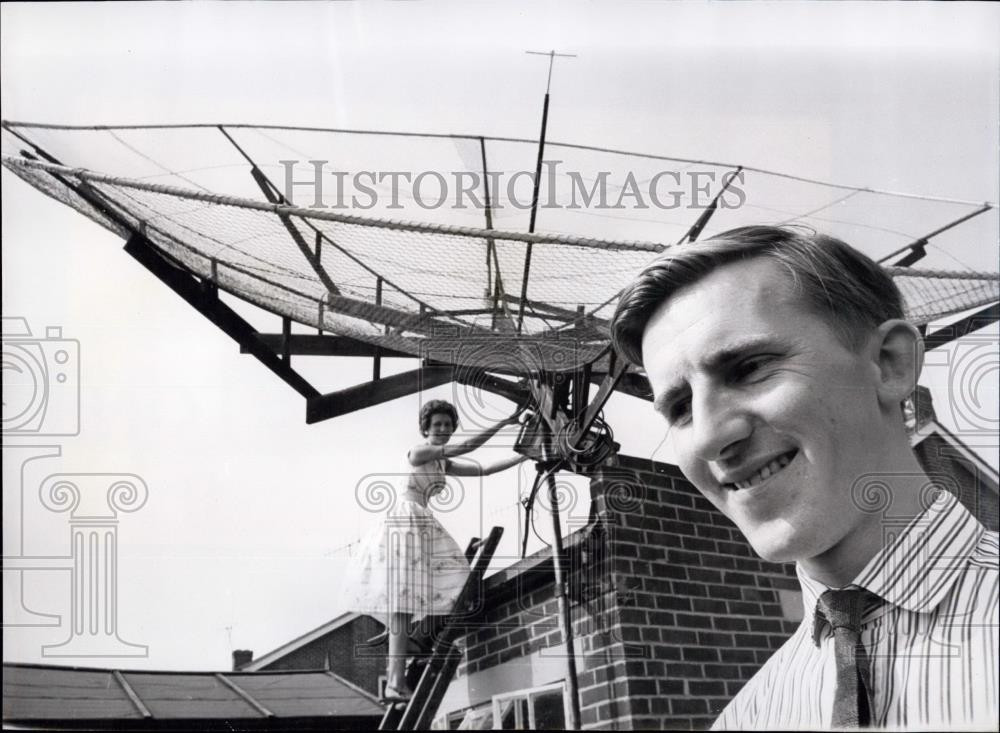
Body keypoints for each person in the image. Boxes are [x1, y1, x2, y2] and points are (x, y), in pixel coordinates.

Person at [610, 225, 998, 729]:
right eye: (680, 408)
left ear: (890, 364)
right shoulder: (746, 719)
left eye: (748, 368)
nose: (708, 437)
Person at [344, 399, 529, 702]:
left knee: (444, 584)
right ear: (426, 428)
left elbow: (485, 469)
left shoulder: (443, 461)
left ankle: (412, 649)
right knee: (412, 596)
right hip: (406, 520)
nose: (442, 429)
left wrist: (522, 457)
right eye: (437, 425)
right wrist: (504, 421)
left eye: (447, 425)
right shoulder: (418, 452)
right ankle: (396, 679)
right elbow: (467, 446)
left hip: (421, 521)